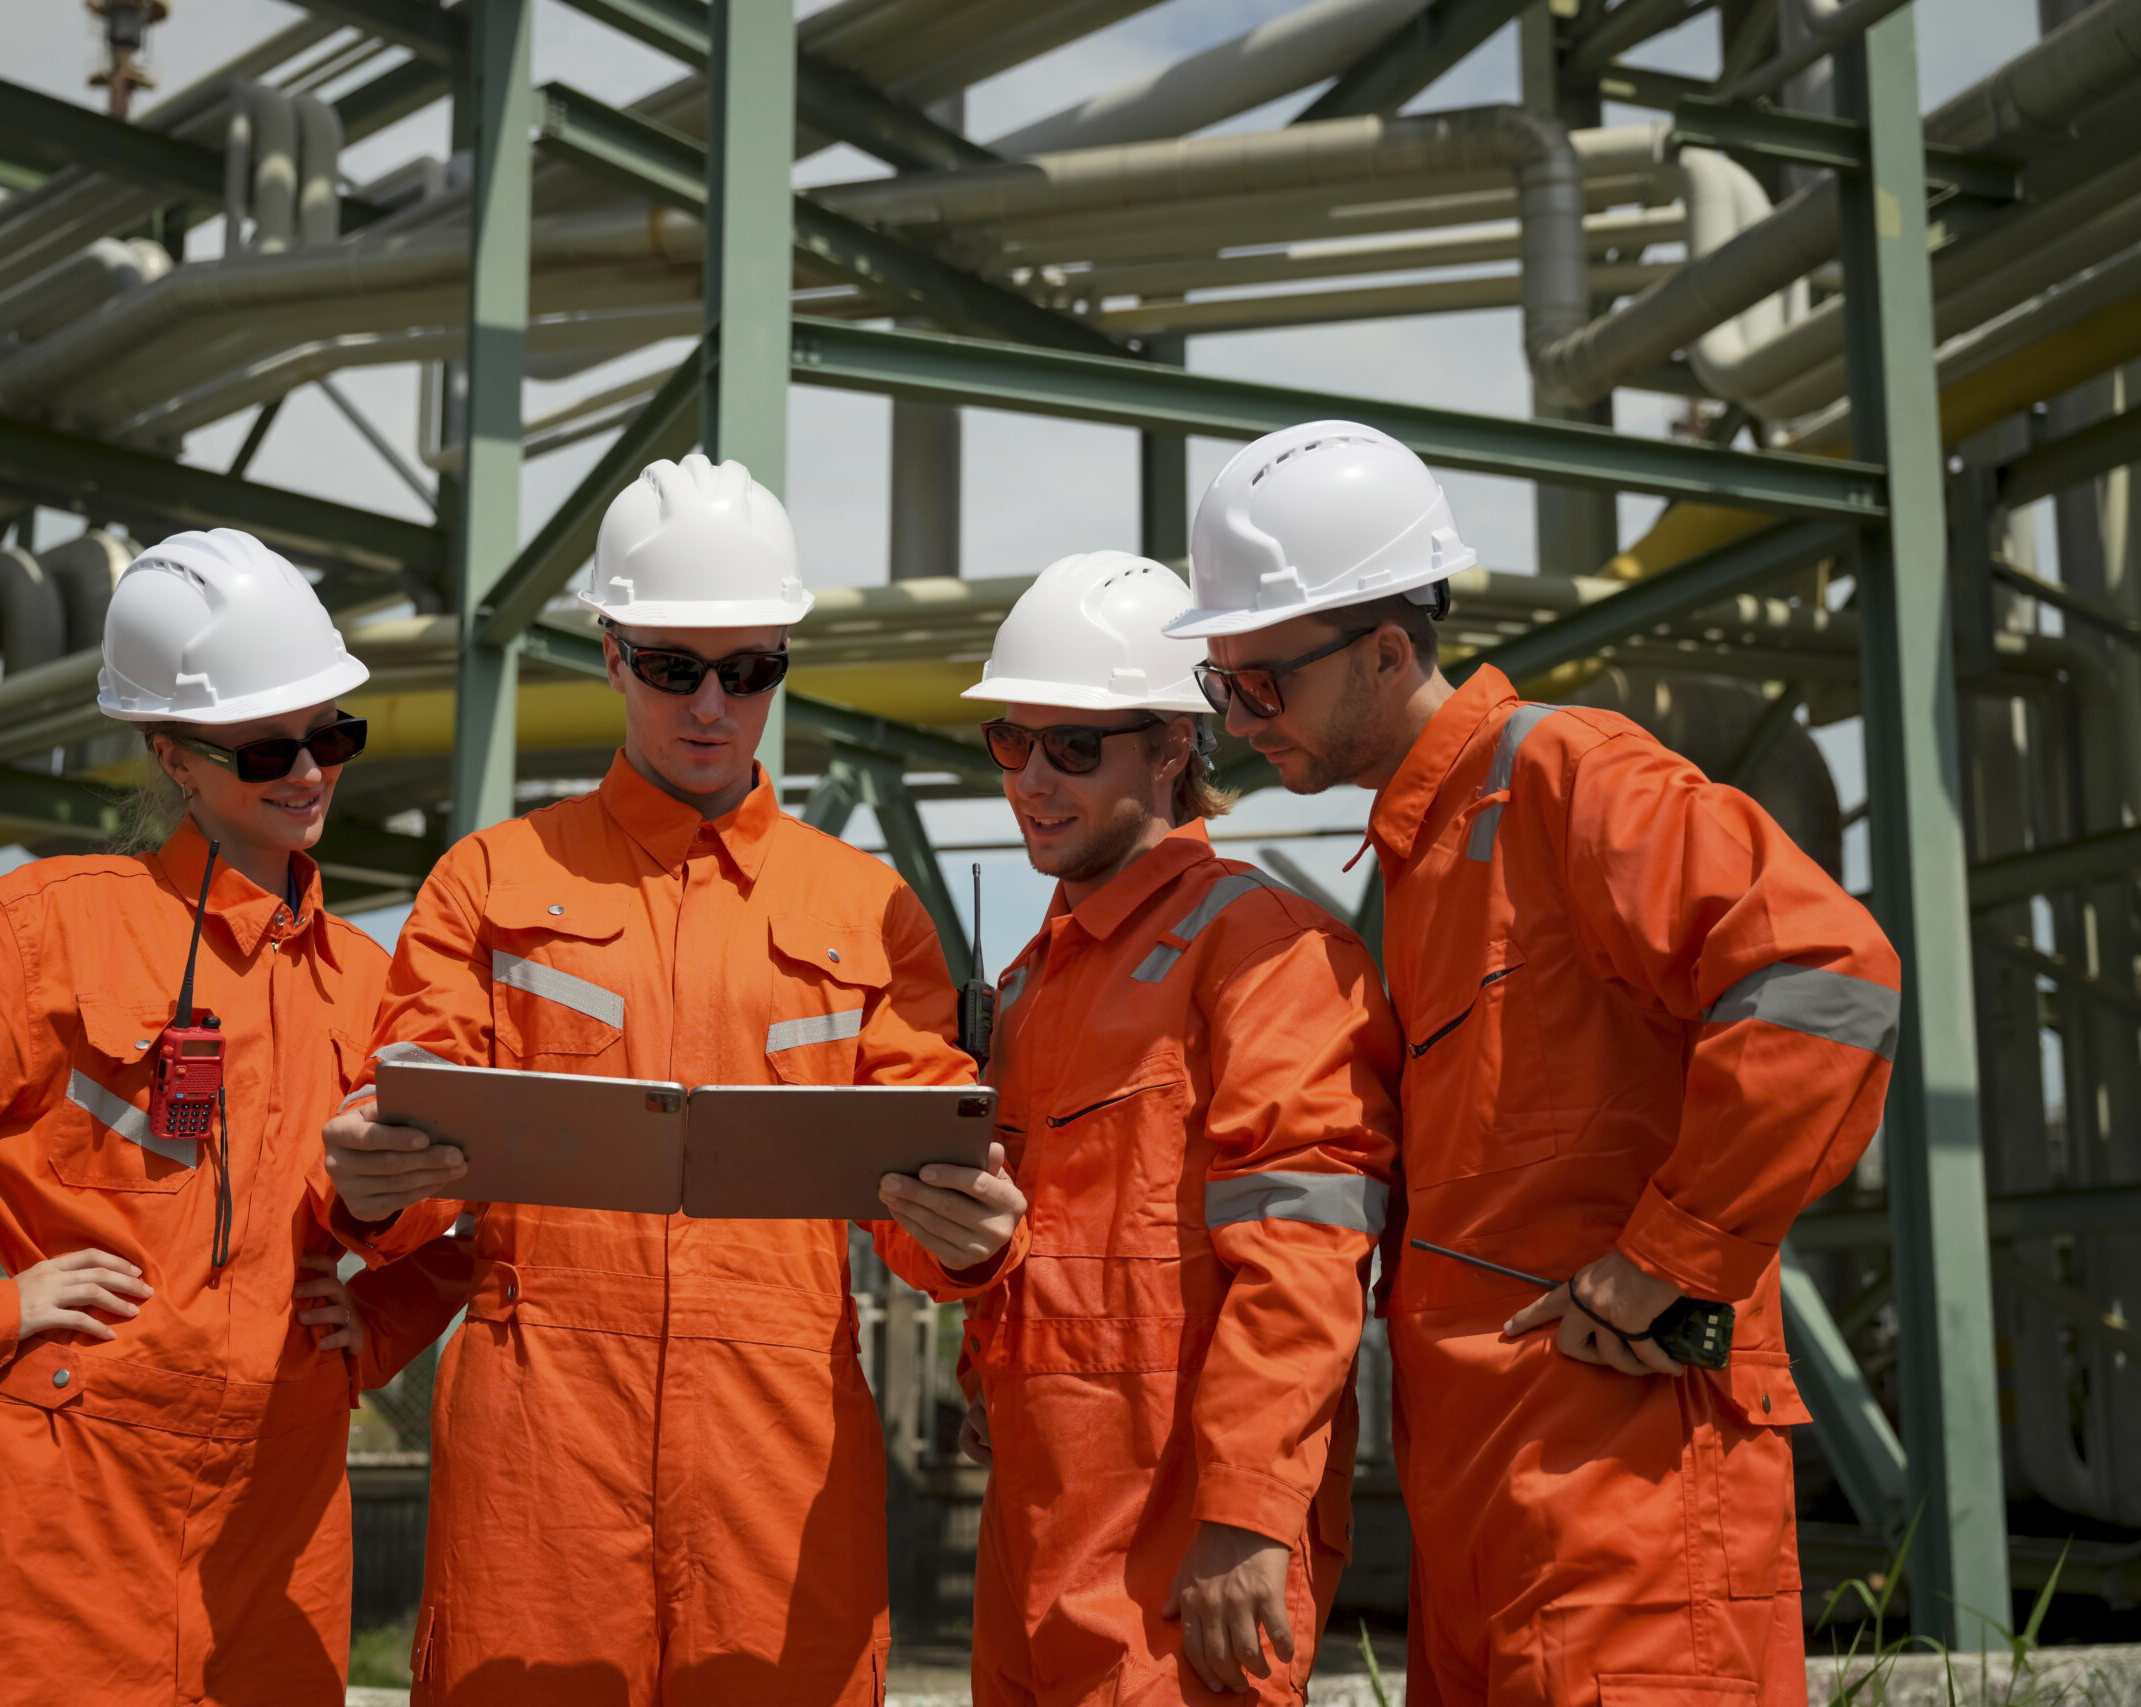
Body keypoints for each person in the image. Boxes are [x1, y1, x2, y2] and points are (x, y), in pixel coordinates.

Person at [1169, 422, 1901, 1707]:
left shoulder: (1563, 776)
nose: (1236, 721)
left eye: (1262, 684)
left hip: (1627, 1517)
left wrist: (1673, 1259)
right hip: (1490, 1519)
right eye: (1220, 687)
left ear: (1387, 651)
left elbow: (1824, 978)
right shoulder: (1421, 858)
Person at [319, 453, 1026, 1706]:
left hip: (780, 1433)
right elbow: (420, 1167)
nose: (712, 706)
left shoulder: (865, 912)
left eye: (749, 672)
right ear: (610, 655)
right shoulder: (488, 885)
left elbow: (923, 1212)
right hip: (542, 1438)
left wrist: (969, 1240)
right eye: (673, 669)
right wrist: (378, 1184)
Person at [0, 528, 391, 1707]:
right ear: (174, 758)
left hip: (282, 1521)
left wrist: (381, 1317)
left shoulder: (367, 979)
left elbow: (468, 1192)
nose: (307, 771)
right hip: (69, 1509)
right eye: (264, 746)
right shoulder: (52, 930)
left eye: (331, 735)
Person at [949, 552, 1401, 1704]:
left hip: (1180, 1551)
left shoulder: (1259, 949)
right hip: (1034, 1532)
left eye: (1074, 747)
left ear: (1170, 748)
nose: (1033, 781)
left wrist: (1247, 1515)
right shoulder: (1032, 981)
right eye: (1013, 742)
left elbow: (1303, 1249)